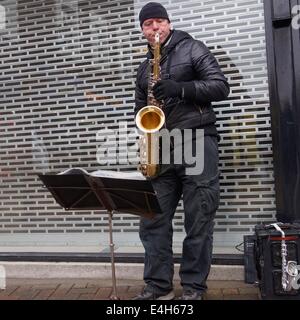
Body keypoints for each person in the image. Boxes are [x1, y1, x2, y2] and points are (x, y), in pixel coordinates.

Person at [133, 2, 230, 300]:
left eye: (159, 21)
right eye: (148, 24)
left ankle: (193, 288)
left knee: (198, 218)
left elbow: (220, 87)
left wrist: (180, 88)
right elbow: (140, 111)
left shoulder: (193, 48)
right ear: (142, 31)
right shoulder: (143, 69)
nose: (154, 28)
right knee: (152, 219)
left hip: (197, 139)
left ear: (169, 24)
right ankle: (158, 286)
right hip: (162, 147)